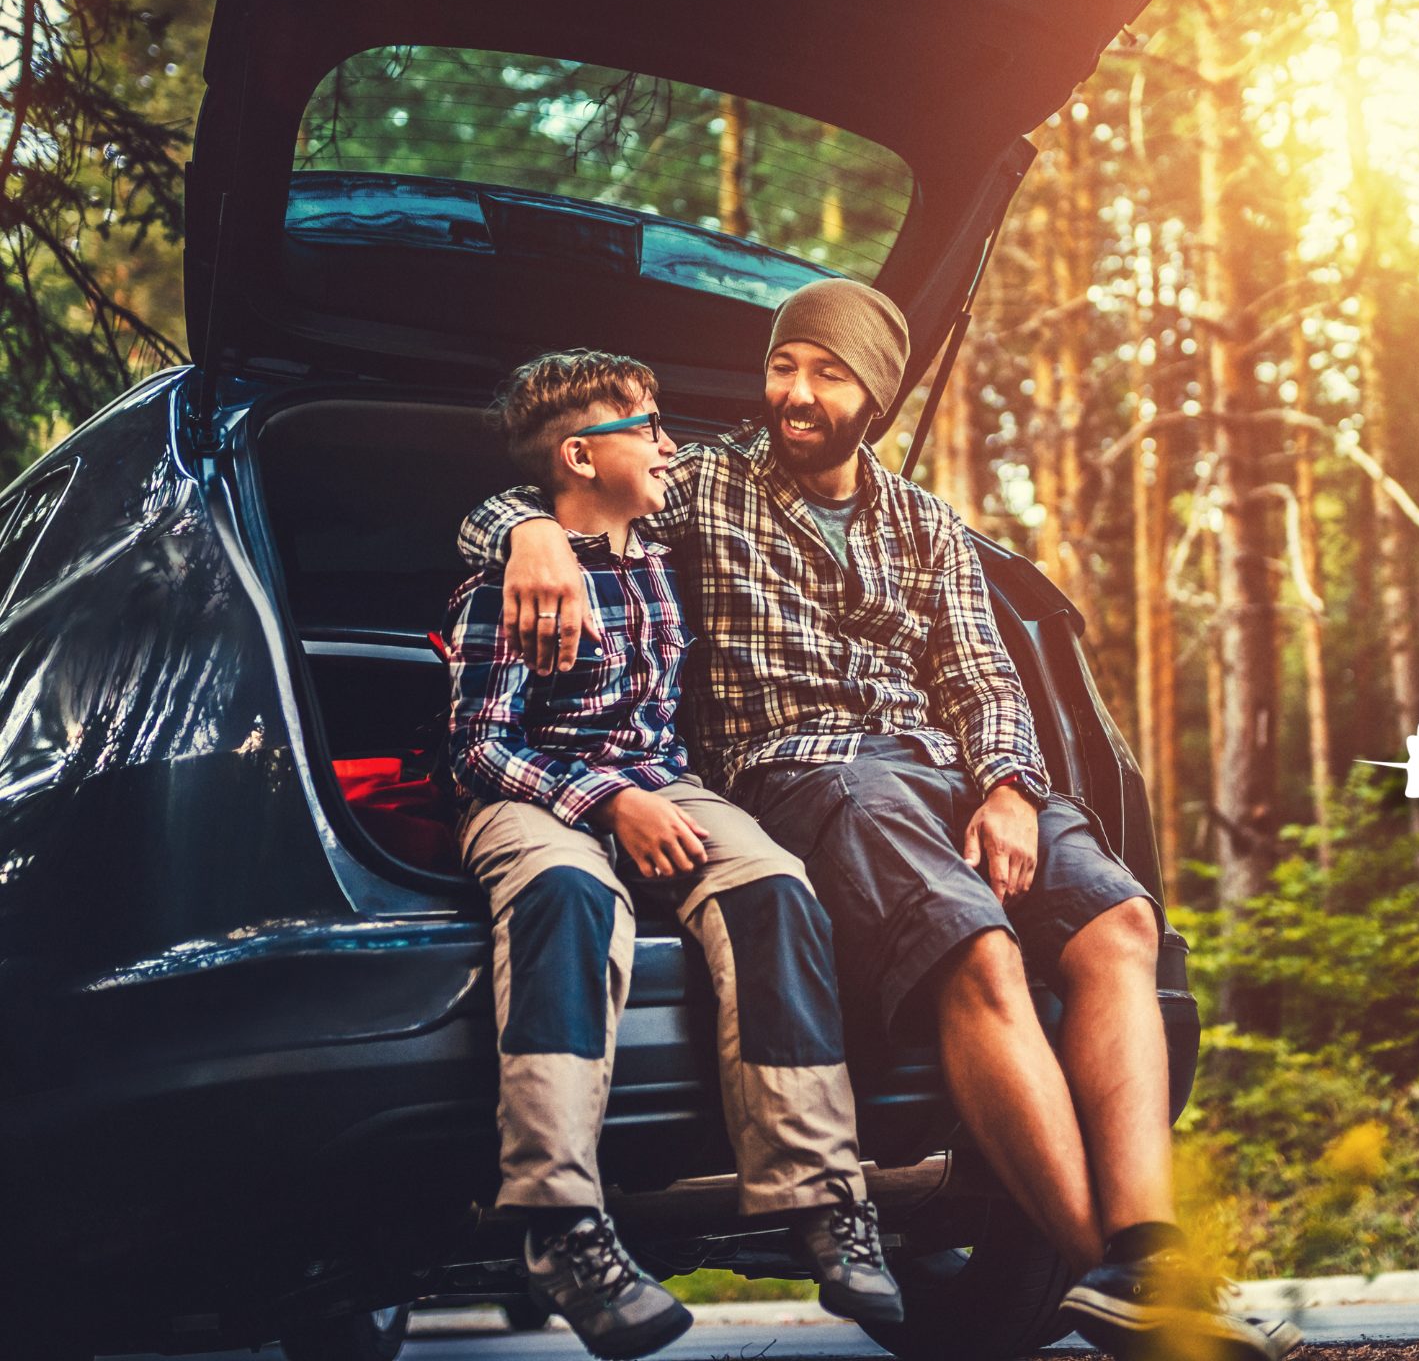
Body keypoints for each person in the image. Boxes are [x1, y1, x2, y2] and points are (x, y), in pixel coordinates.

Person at [459, 284, 1300, 1361]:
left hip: (950, 773)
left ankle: (1146, 1258)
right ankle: (1141, 1300)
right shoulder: (707, 483)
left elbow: (987, 680)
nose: (794, 394)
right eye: (783, 367)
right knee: (979, 951)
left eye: (826, 373)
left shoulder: (927, 523)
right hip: (808, 773)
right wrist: (525, 531)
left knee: (1122, 929)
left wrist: (1007, 788)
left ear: (876, 395)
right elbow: (557, 482)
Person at [443, 349, 902, 1360]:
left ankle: (822, 1197)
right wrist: (608, 805)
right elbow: (479, 747)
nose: (669, 444)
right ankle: (560, 1222)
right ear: (578, 454)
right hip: (533, 793)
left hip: (668, 783)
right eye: (647, 428)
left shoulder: (657, 541)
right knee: (568, 893)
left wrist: (651, 799)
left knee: (777, 885)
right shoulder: (505, 583)